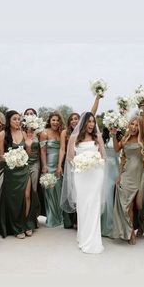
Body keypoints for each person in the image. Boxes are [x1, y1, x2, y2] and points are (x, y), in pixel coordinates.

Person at [61, 112, 106, 253]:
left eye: (93, 122)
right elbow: (69, 158)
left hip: (95, 174)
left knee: (93, 205)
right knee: (83, 206)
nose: (92, 124)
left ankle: (93, 241)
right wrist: (80, 163)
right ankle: (83, 236)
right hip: (81, 175)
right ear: (84, 123)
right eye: (89, 121)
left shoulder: (97, 137)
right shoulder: (74, 138)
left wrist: (94, 161)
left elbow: (104, 156)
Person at [57, 94, 102, 229]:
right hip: (77, 167)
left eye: (77, 119)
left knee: (90, 199)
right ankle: (74, 223)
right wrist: (62, 165)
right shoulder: (69, 135)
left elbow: (91, 114)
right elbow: (64, 151)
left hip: (92, 169)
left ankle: (87, 225)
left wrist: (97, 99)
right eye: (72, 119)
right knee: (77, 196)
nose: (74, 121)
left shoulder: (93, 135)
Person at [0, 110, 37, 238]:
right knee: (14, 200)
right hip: (11, 171)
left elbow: (28, 154)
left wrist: (29, 145)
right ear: (8, 121)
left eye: (19, 119)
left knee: (26, 196)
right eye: (14, 119)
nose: (17, 121)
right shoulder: (2, 135)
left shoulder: (24, 133)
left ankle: (26, 223)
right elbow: (1, 156)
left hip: (24, 169)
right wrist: (12, 157)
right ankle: (17, 227)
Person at [112, 108, 144, 245]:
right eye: (132, 124)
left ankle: (140, 226)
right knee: (128, 204)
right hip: (127, 175)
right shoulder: (126, 139)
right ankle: (130, 232)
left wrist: (143, 109)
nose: (133, 127)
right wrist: (113, 135)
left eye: (136, 125)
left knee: (139, 205)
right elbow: (118, 152)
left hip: (140, 175)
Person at [39, 112, 64, 227]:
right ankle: (51, 218)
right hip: (49, 164)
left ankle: (59, 217)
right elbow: (43, 151)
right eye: (53, 120)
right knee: (49, 192)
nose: (55, 122)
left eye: (57, 120)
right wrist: (44, 165)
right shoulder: (44, 133)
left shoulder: (61, 133)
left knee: (58, 191)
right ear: (49, 121)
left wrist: (60, 165)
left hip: (59, 164)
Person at [22, 107, 46, 223]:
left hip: (35, 163)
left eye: (32, 113)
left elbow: (42, 151)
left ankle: (34, 216)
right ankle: (24, 215)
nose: (30, 115)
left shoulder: (40, 133)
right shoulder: (22, 131)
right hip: (23, 164)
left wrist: (44, 166)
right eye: (27, 114)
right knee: (24, 192)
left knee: (34, 190)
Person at [100, 127, 120, 237]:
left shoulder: (119, 137)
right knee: (106, 196)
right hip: (105, 168)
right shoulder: (103, 138)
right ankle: (106, 227)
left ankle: (116, 227)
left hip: (116, 167)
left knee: (116, 197)